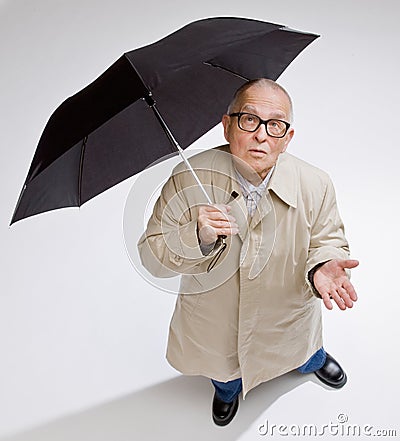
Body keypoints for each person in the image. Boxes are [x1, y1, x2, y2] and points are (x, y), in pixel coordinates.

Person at [137, 79, 359, 426]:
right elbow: (152, 257)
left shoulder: (316, 183)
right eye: (249, 120)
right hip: (215, 315)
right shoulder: (187, 178)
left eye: (275, 125)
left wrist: (322, 265)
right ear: (227, 125)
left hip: (287, 309)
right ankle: (226, 390)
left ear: (288, 138)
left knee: (302, 348)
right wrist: (197, 235)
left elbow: (327, 238)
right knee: (225, 370)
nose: (261, 135)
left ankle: (312, 361)